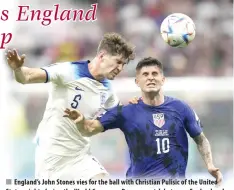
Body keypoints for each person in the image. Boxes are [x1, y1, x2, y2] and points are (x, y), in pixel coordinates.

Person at [64, 57, 223, 184]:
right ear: (137, 81)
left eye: (155, 74)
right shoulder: (125, 111)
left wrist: (210, 165)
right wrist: (80, 121)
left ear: (163, 79)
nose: (150, 78)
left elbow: (200, 139)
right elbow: (89, 128)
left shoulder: (181, 108)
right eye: (145, 75)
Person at [6, 33, 135, 179]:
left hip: (80, 156)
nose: (120, 68)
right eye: (118, 62)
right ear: (102, 56)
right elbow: (27, 77)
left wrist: (137, 110)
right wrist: (17, 69)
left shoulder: (108, 90)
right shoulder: (69, 71)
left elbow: (117, 117)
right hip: (51, 157)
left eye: (123, 64)